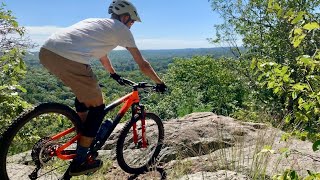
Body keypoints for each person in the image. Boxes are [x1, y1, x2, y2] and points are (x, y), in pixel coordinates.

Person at [39, 0, 167, 176]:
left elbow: (102, 56)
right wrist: (160, 82)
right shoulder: (120, 29)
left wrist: (113, 74)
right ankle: (81, 160)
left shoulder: (97, 24)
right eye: (131, 22)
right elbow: (143, 64)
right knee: (98, 108)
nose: (131, 26)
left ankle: (83, 132)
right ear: (124, 17)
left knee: (85, 95)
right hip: (69, 58)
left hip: (46, 52)